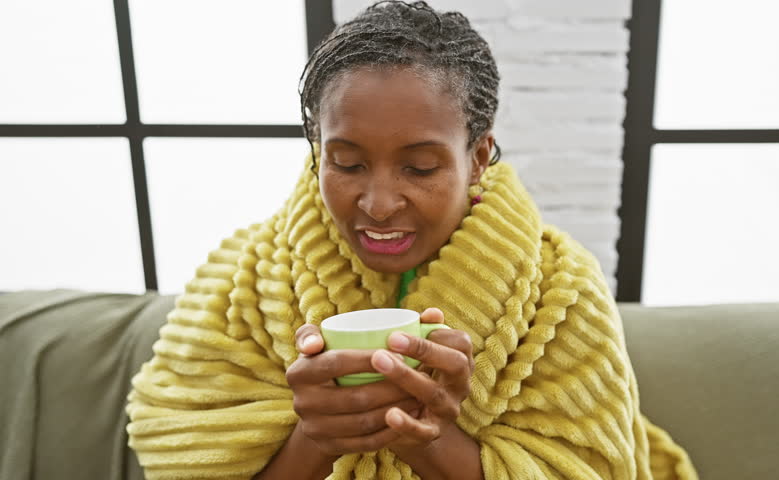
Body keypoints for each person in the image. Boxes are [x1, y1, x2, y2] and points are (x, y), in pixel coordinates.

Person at [125, 2, 699, 479]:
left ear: (476, 159)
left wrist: (428, 440)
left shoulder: (561, 289)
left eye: (421, 169)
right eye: (346, 163)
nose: (378, 203)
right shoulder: (243, 277)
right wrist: (315, 438)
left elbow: (592, 465)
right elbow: (177, 449)